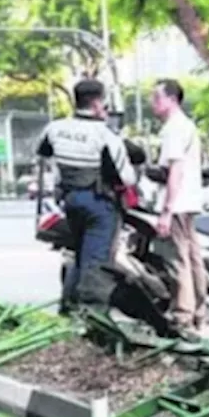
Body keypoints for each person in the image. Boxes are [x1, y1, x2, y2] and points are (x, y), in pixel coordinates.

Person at [36, 79, 137, 314]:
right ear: (98, 103)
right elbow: (127, 178)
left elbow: (44, 153)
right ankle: (93, 315)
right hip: (99, 204)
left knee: (79, 255)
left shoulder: (55, 128)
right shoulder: (105, 135)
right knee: (97, 262)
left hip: (70, 202)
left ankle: (69, 307)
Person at [152, 79, 208, 333]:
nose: (154, 104)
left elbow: (175, 170)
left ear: (172, 100)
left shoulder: (174, 128)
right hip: (189, 202)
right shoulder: (186, 126)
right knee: (193, 258)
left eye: (157, 98)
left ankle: (182, 315)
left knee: (178, 260)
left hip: (177, 203)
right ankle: (198, 312)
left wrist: (166, 210)